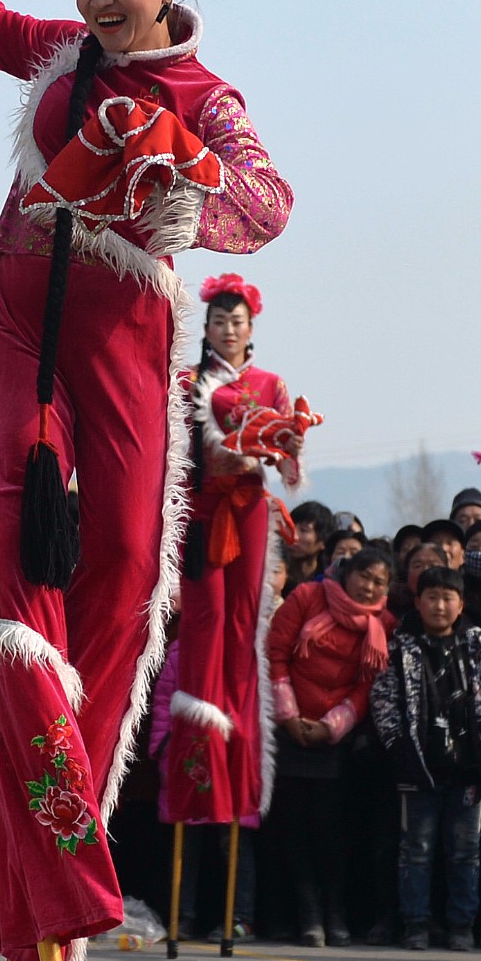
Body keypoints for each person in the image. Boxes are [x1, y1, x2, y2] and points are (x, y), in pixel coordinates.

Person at [0, 0, 292, 961]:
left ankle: (37, 858)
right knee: (19, 550)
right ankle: (69, 869)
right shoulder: (60, 60)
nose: (93, 3)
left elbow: (266, 198)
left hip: (122, 348)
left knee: (122, 571)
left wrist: (196, 194)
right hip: (21, 326)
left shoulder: (204, 97)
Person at [166, 274, 302, 899]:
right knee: (205, 625)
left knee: (246, 629)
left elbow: (290, 469)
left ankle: (242, 759)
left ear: (252, 328)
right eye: (219, 319)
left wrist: (285, 444)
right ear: (209, 326)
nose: (227, 328)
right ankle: (202, 760)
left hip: (248, 509)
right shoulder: (190, 384)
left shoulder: (272, 387)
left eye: (237, 320)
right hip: (200, 512)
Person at [266, 547, 394, 944]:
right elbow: (275, 653)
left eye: (379, 581)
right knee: (294, 828)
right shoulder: (306, 597)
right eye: (364, 576)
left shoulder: (384, 624)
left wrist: (330, 727)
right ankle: (308, 915)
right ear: (345, 573)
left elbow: (368, 686)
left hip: (335, 739)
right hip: (288, 729)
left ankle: (334, 912)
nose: (369, 586)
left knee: (330, 832)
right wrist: (289, 717)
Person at [371, 566, 481, 950]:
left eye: (447, 598)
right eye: (432, 597)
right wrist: (398, 747)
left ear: (460, 605)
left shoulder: (478, 649)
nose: (439, 606)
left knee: (465, 853)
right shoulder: (399, 647)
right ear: (418, 602)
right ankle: (416, 924)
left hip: (469, 770)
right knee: (416, 851)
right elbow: (383, 699)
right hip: (418, 768)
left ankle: (461, 925)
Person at [285, 501, 335, 595]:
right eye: (290, 528)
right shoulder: (274, 577)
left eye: (304, 530)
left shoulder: (329, 583)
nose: (294, 536)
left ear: (323, 542)